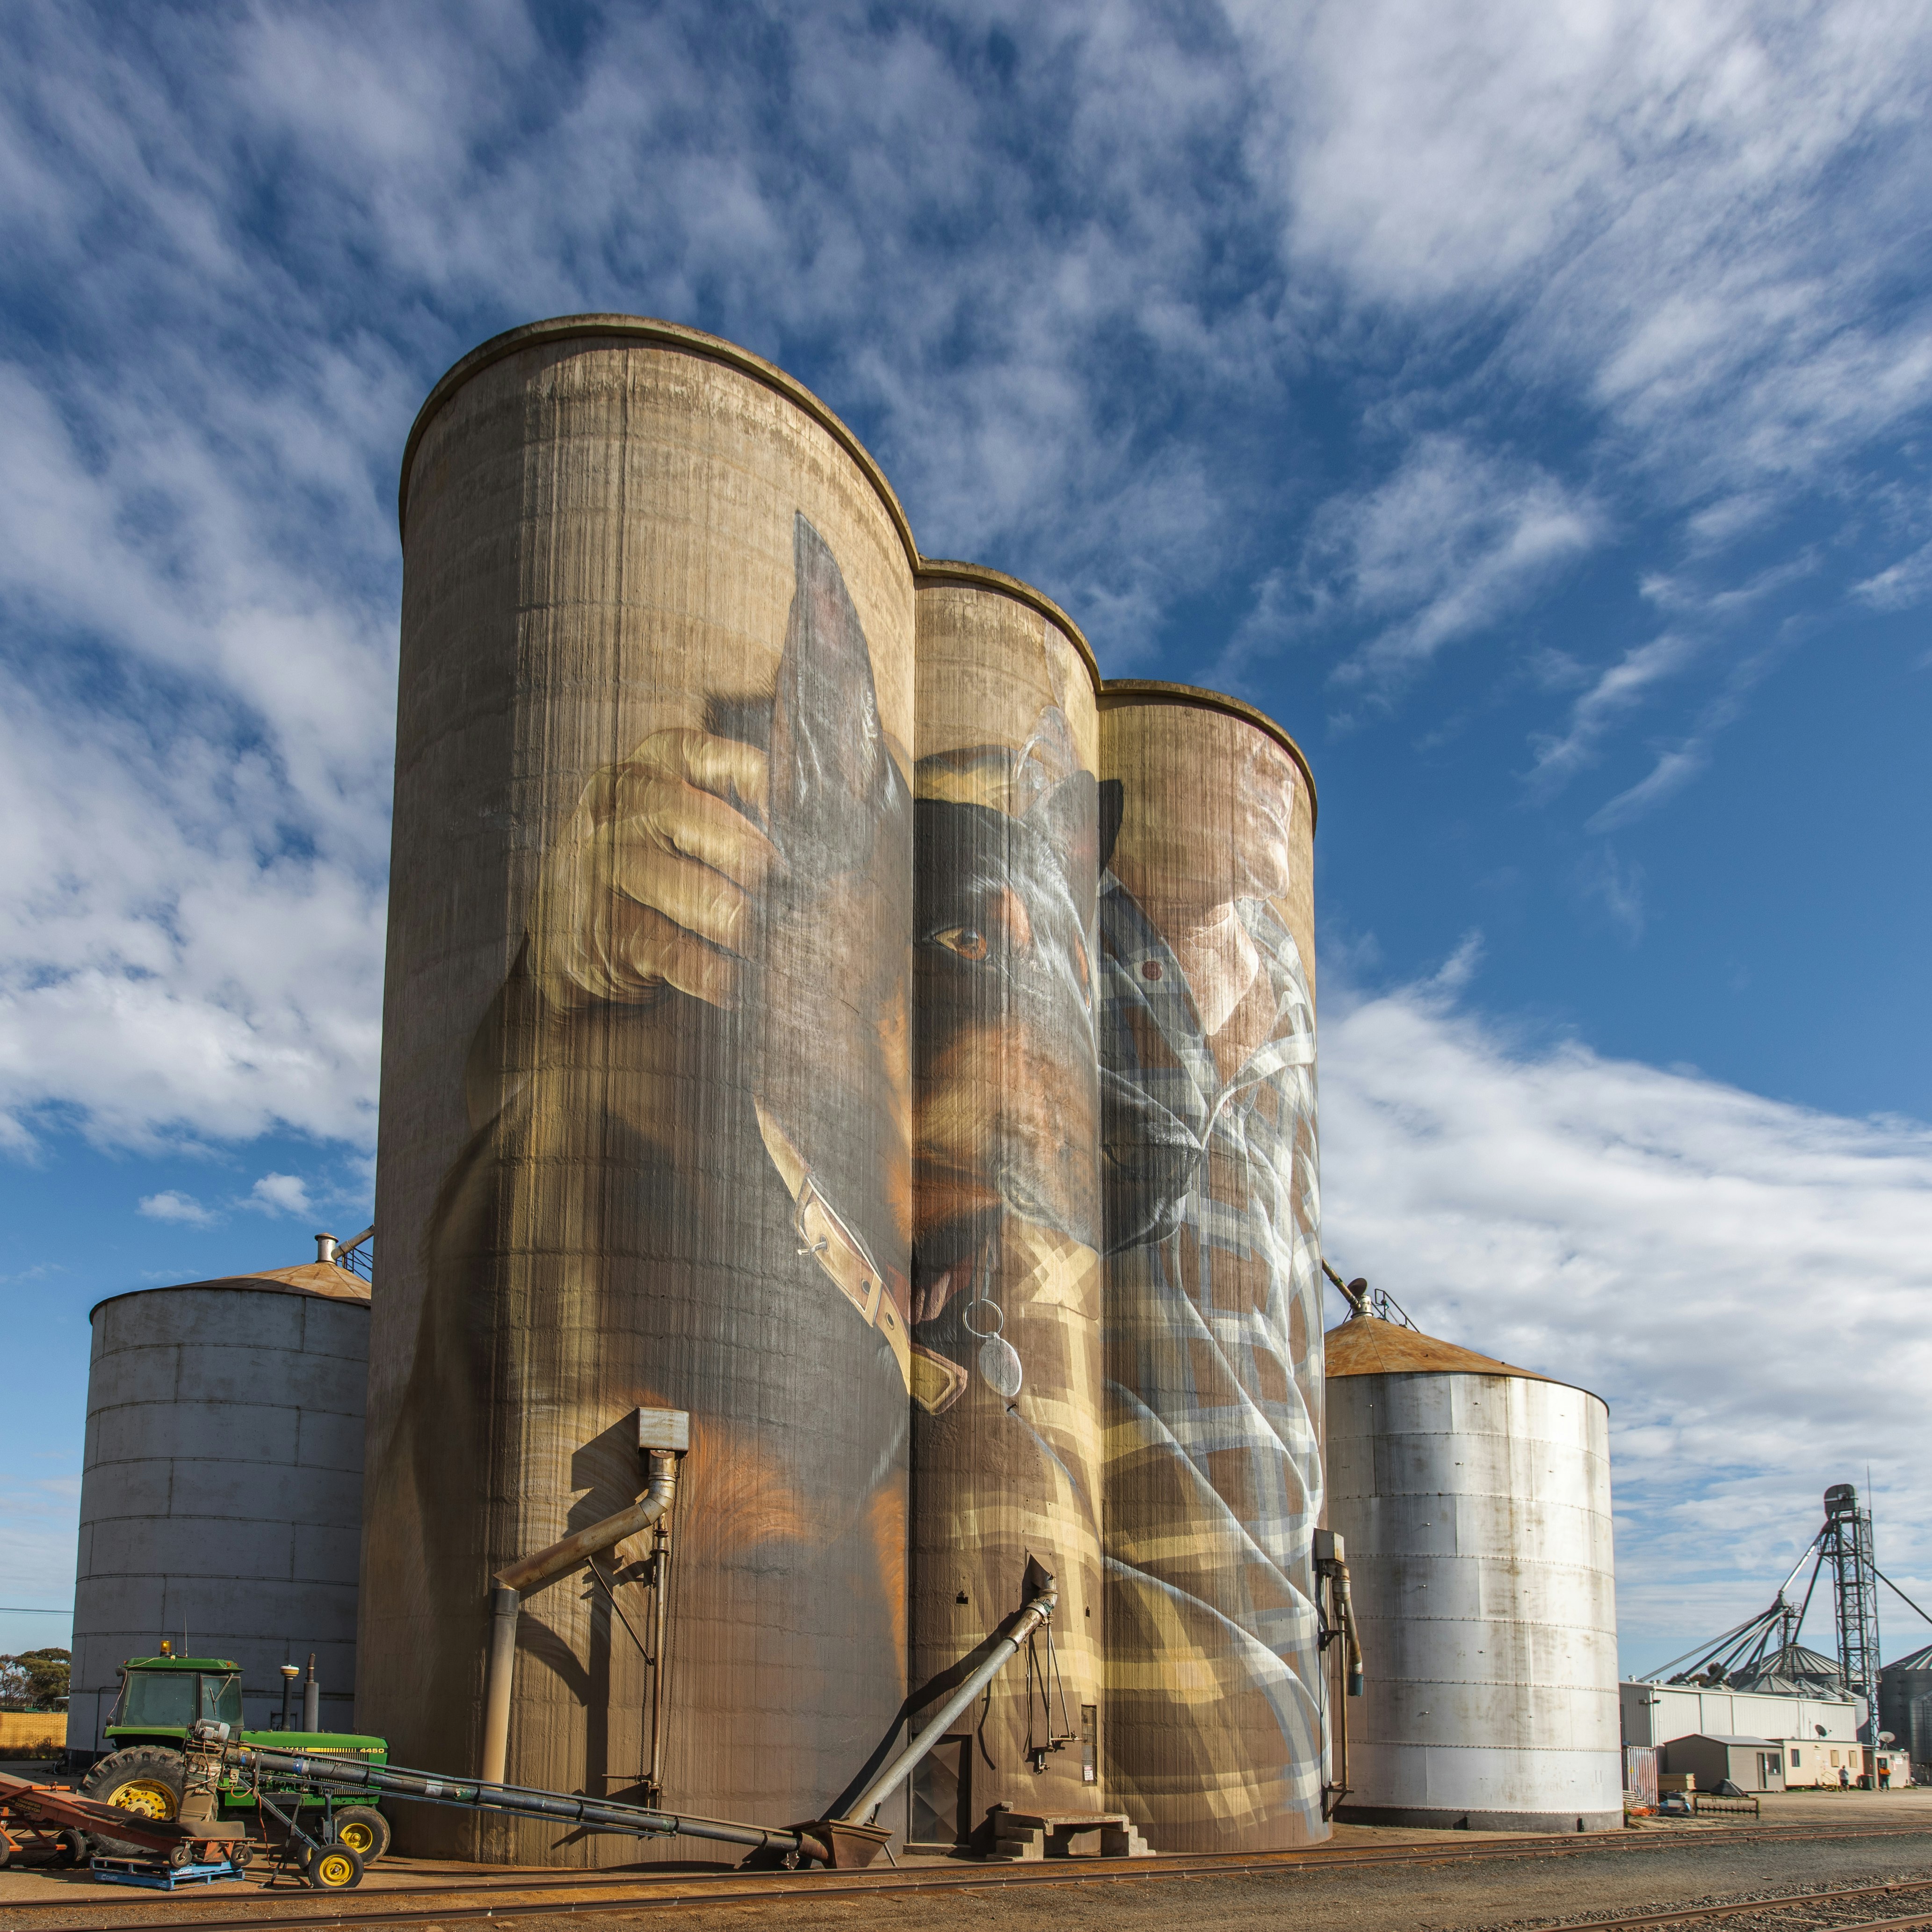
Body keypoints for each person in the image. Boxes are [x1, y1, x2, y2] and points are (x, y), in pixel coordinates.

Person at [1097, 709, 1324, 1847]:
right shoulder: (1063, 929)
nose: (1266, 782)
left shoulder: (1283, 976)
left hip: (1275, 1515)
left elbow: (1292, 1283)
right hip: (1132, 1513)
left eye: (1271, 770)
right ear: (1140, 784)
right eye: (1232, 764)